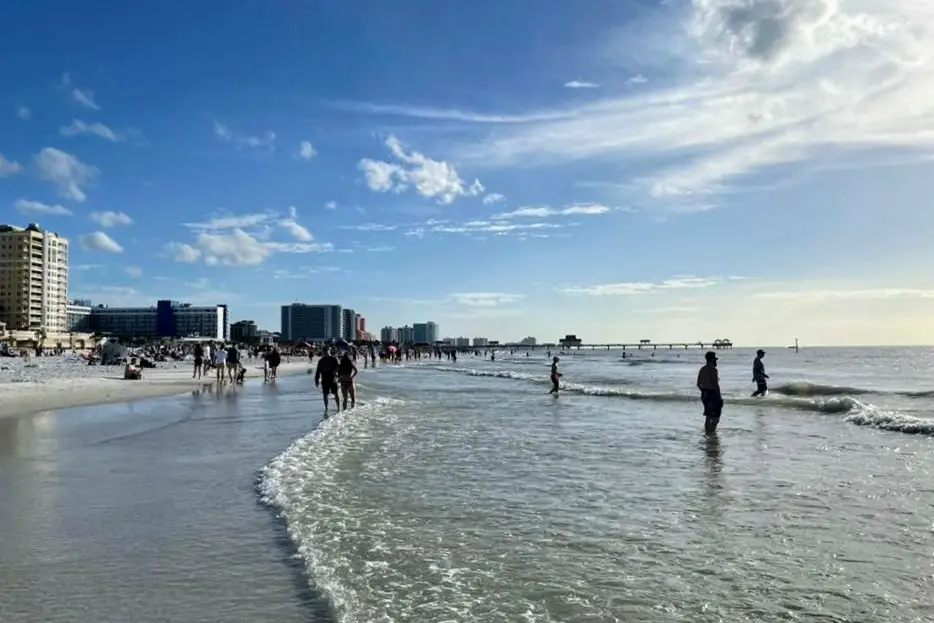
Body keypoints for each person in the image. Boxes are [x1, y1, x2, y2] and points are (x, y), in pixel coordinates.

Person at [697, 351, 723, 434]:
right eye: (715, 359)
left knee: (708, 416)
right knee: (716, 416)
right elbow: (715, 385)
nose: (716, 361)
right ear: (712, 360)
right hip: (712, 394)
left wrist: (703, 391)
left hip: (704, 394)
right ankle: (711, 432)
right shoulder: (713, 370)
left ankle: (708, 432)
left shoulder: (702, 369)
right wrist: (719, 397)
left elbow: (698, 384)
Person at [314, 348, 341, 413]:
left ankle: (338, 408)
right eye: (325, 352)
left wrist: (340, 377)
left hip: (332, 377)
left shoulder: (334, 359)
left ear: (329, 351)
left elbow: (339, 368)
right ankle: (326, 408)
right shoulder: (321, 361)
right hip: (325, 378)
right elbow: (318, 371)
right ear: (323, 353)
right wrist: (316, 380)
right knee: (325, 394)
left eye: (327, 352)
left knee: (335, 393)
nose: (326, 353)